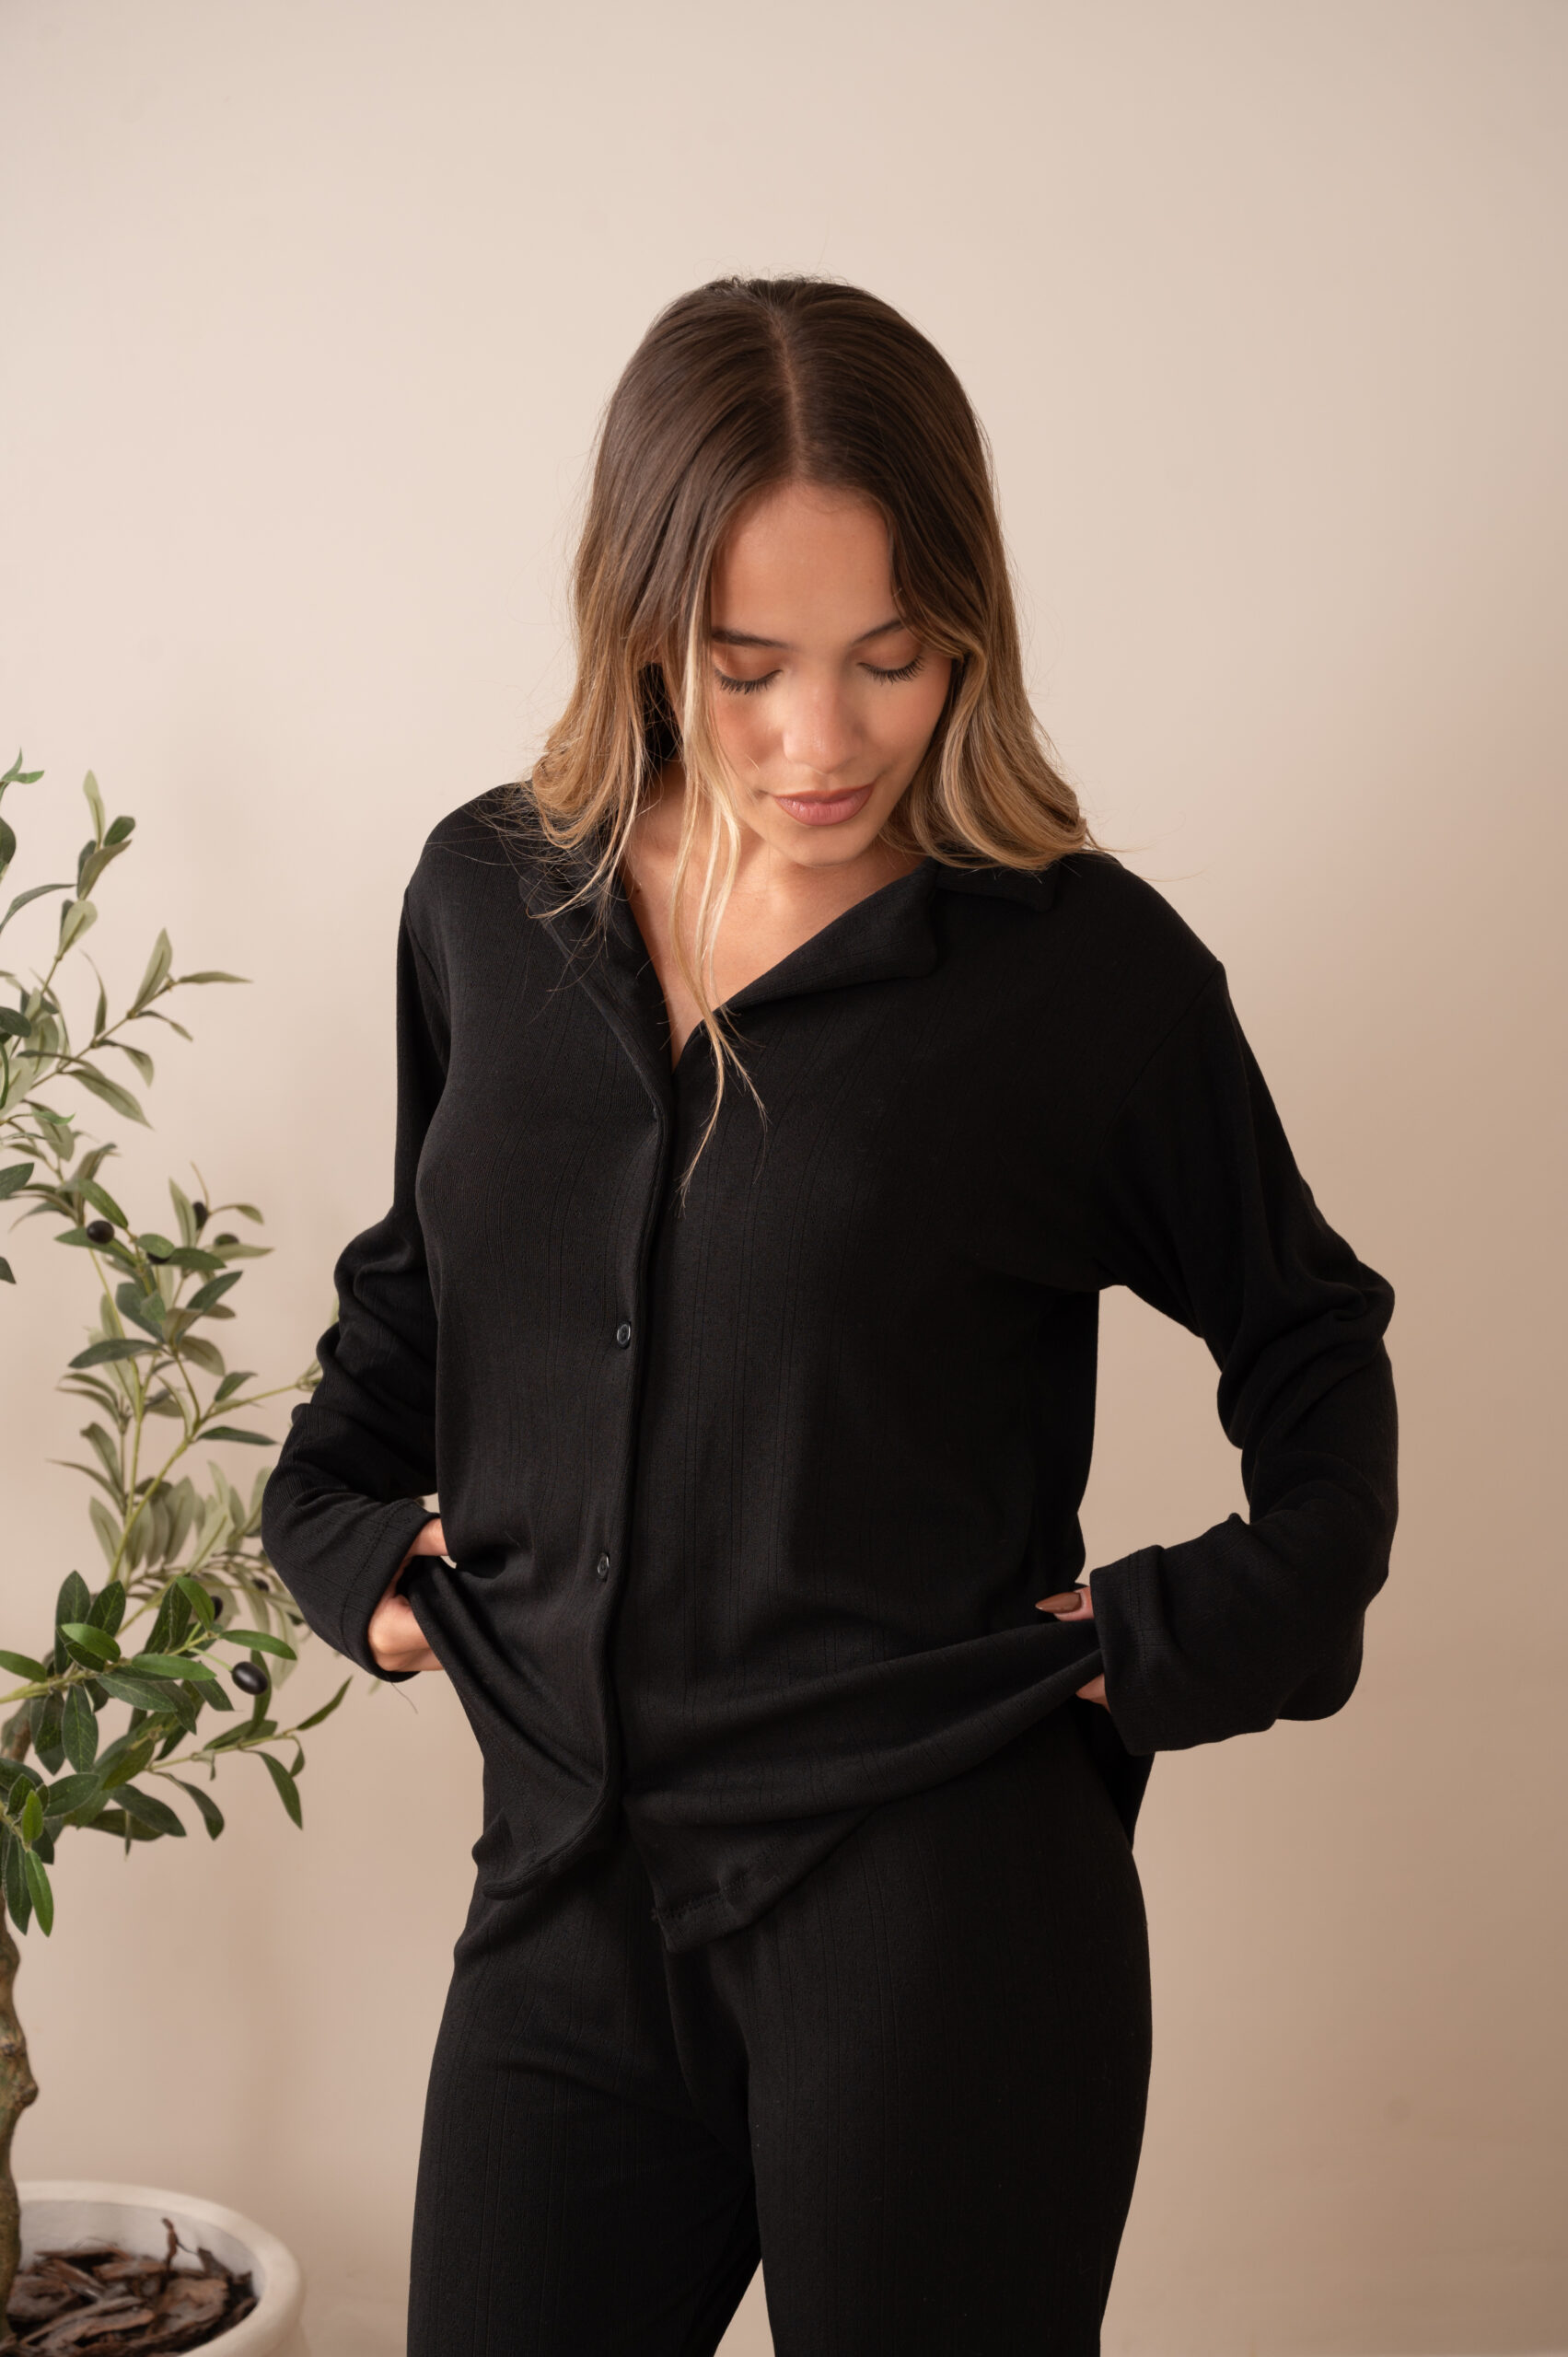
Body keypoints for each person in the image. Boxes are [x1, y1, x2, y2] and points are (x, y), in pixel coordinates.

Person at [261, 275, 1398, 2356]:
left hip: (942, 1922)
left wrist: (1176, 1631)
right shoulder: (484, 903)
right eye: (747, 665)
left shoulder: (1081, 976)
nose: (824, 739)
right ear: (641, 629)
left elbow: (1312, 1344)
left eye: (891, 656)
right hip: (565, 1900)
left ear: (969, 627)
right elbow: (421, 1295)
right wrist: (355, 1555)